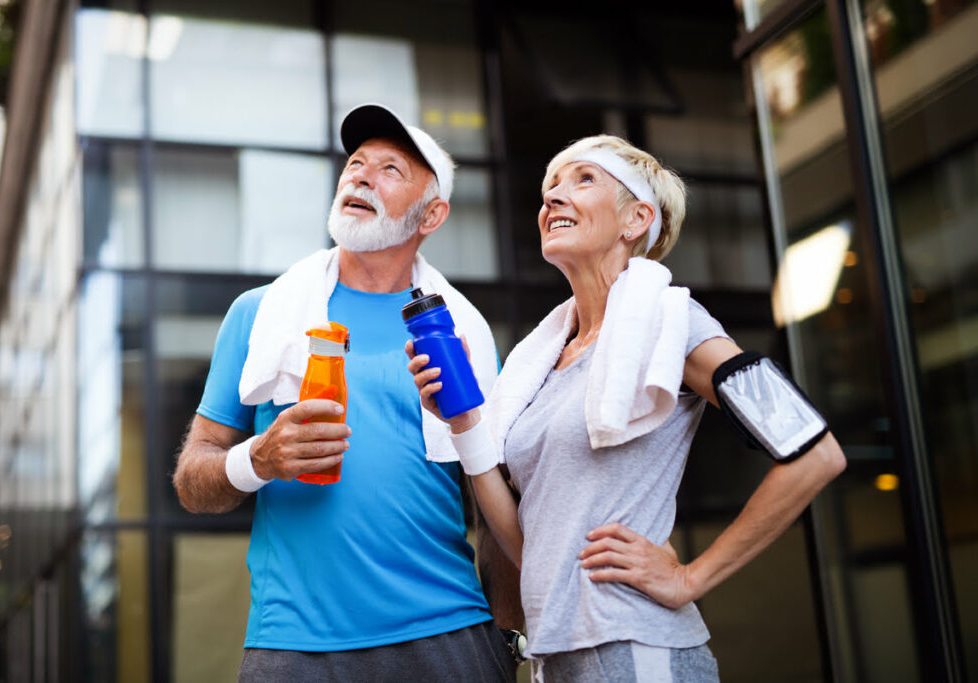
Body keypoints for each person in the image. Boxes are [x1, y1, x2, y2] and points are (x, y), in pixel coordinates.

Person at [407, 134, 847, 682]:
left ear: (636, 218)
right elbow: (529, 542)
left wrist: (691, 577)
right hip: (557, 654)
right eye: (550, 187)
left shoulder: (672, 324)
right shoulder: (539, 361)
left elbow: (817, 454)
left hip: (637, 648)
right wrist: (465, 423)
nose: (553, 198)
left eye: (582, 180)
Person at [173, 104, 519, 682]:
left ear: (432, 214)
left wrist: (507, 635)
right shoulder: (260, 315)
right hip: (291, 647)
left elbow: (496, 500)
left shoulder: (463, 334)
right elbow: (191, 483)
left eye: (390, 169)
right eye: (356, 163)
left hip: (451, 634)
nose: (360, 175)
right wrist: (257, 459)